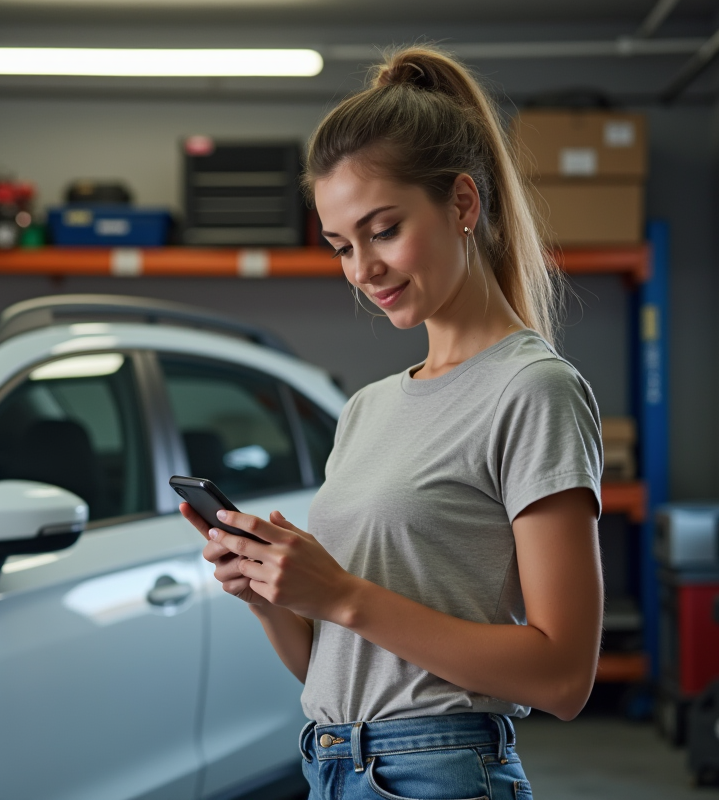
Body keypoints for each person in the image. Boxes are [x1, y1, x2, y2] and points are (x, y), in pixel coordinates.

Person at [180, 45, 604, 800]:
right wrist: (272, 598)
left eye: (382, 231)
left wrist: (343, 595)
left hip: (440, 772)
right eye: (342, 246)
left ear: (463, 204)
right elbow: (337, 667)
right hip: (333, 762)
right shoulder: (367, 408)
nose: (361, 270)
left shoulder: (533, 390)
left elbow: (564, 676)